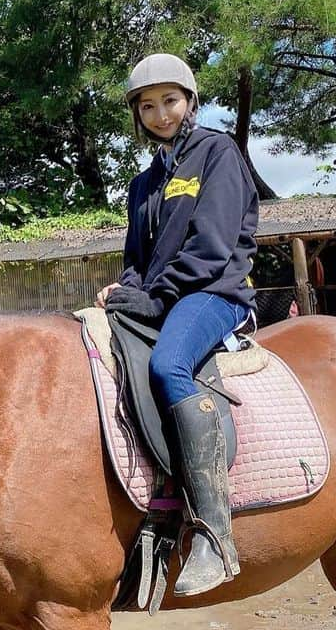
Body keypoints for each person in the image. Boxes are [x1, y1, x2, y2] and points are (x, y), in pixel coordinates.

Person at [96, 52, 259, 596]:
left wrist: (156, 297)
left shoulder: (218, 154)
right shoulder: (143, 185)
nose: (160, 113)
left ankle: (215, 534)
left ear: (189, 101)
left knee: (168, 366)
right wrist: (124, 292)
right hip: (165, 296)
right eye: (148, 105)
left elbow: (212, 248)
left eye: (169, 100)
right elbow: (138, 260)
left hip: (214, 292)